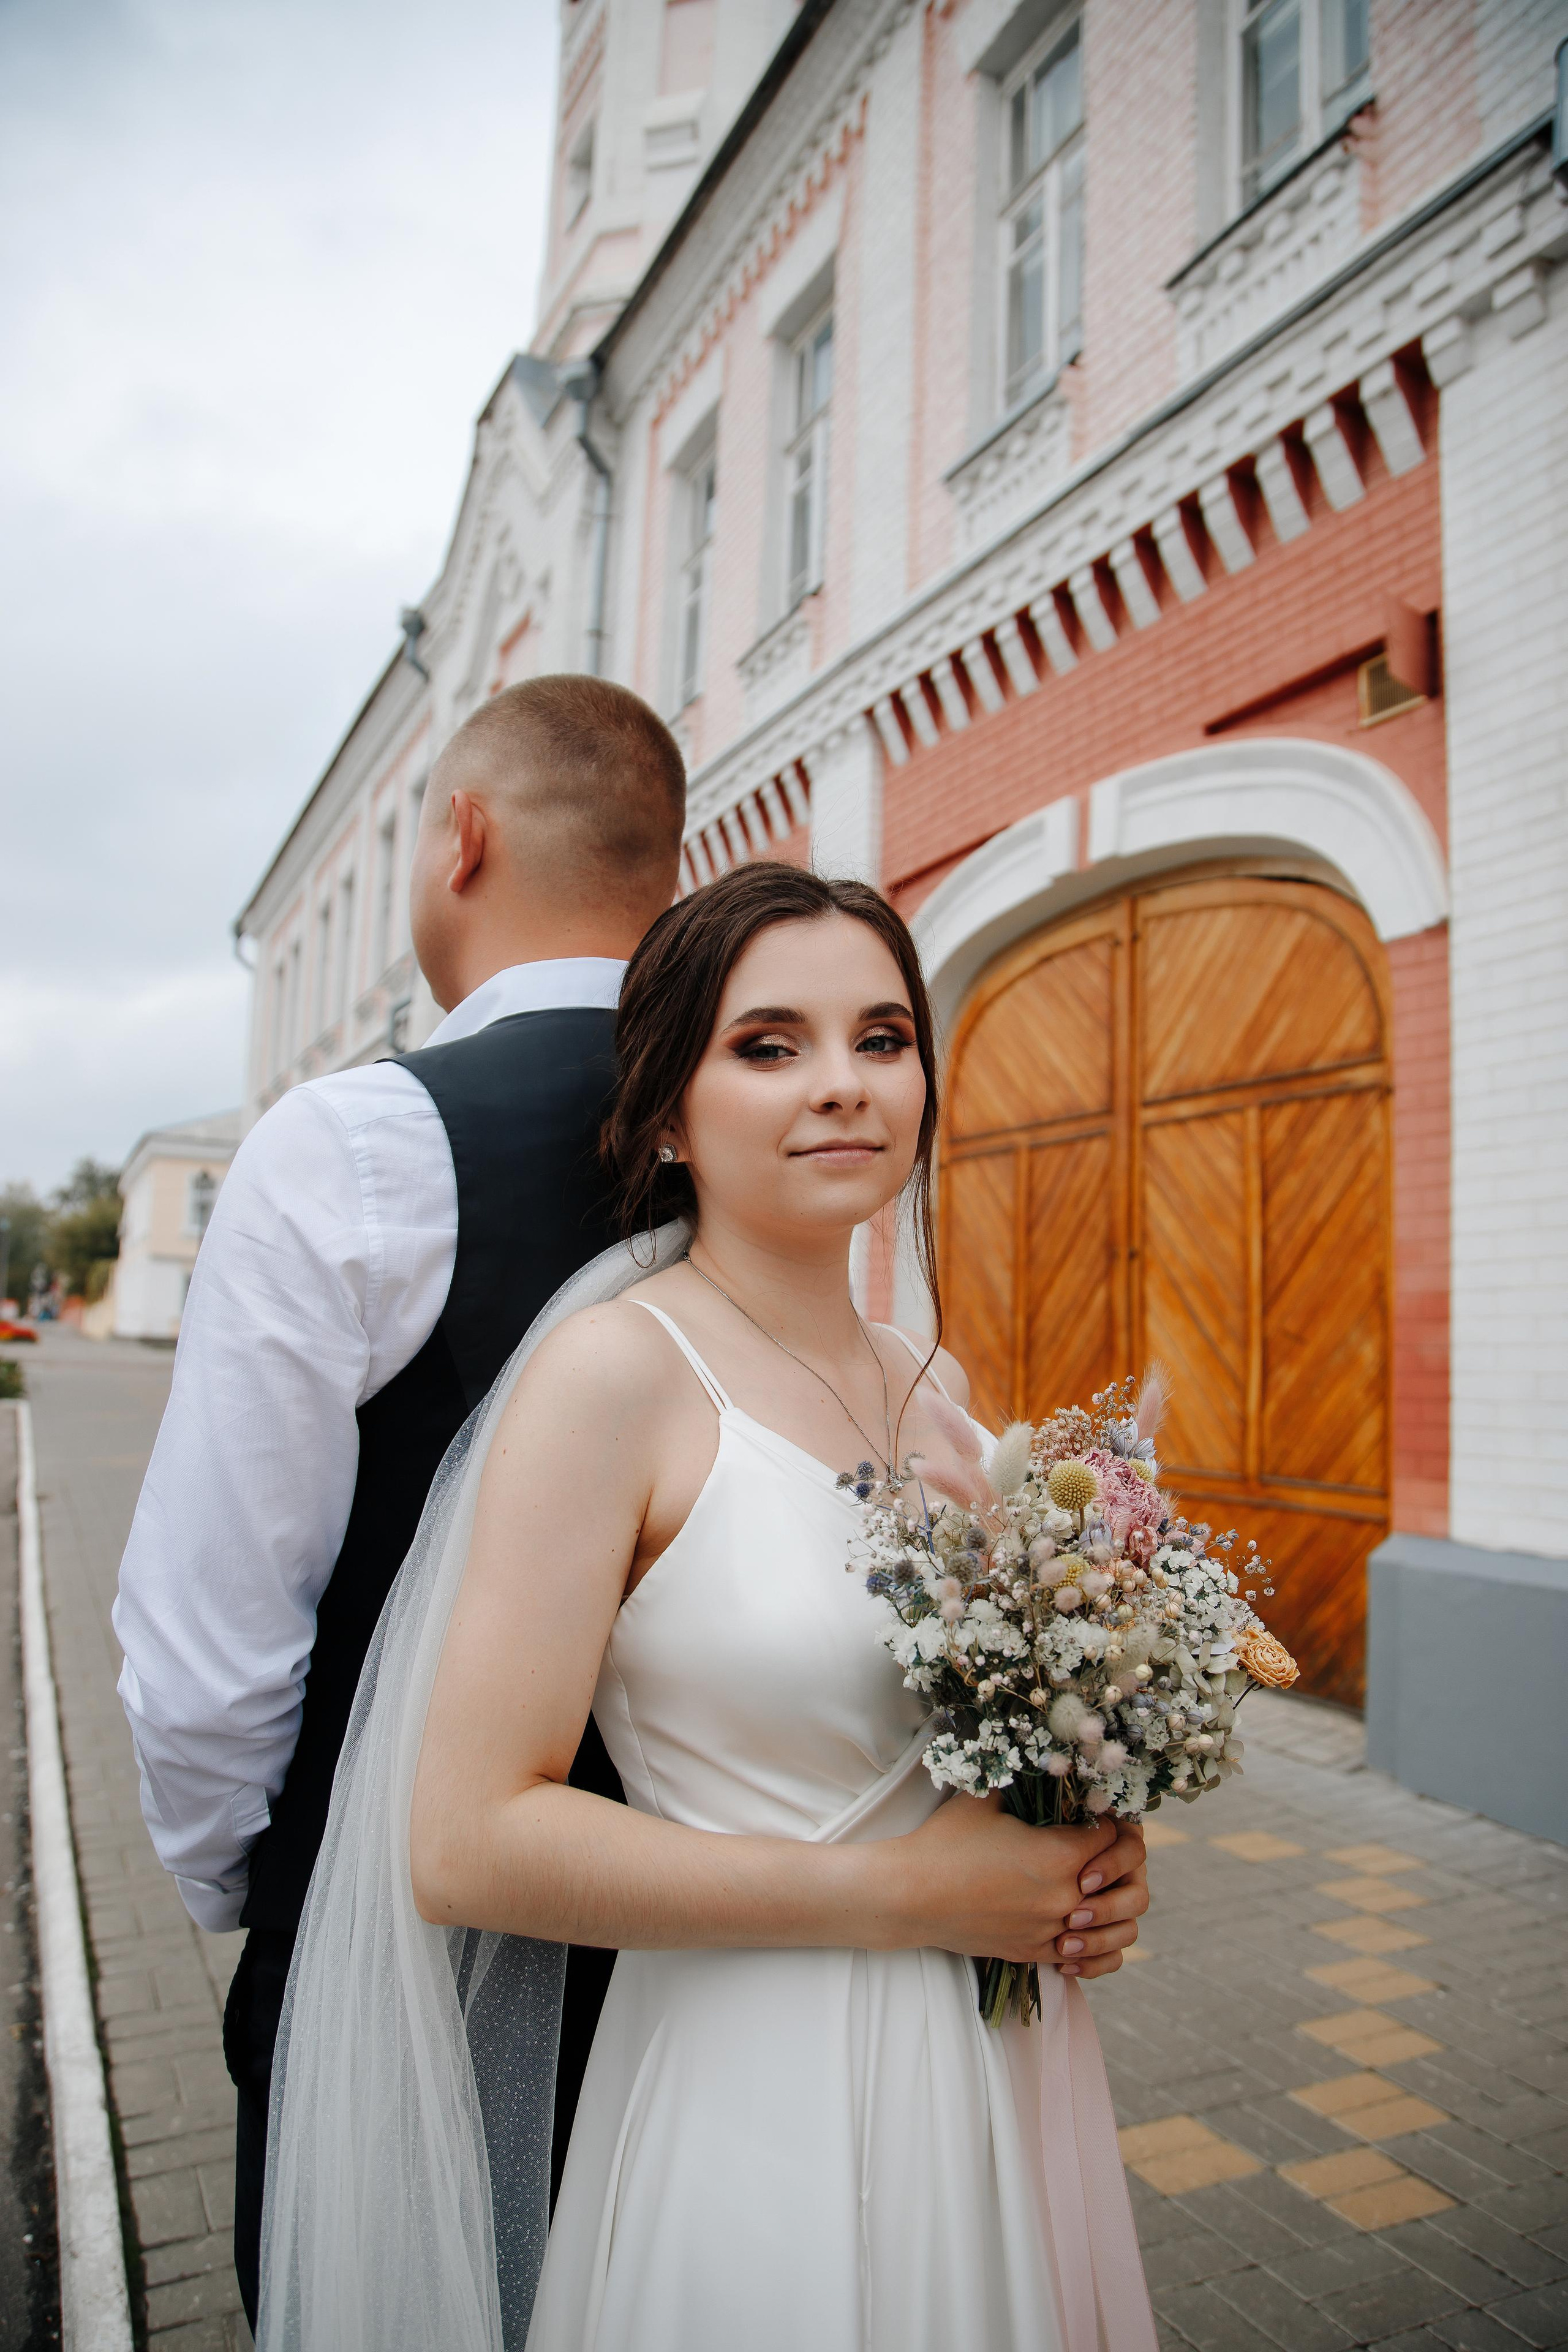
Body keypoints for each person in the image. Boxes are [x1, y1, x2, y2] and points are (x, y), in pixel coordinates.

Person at [260, 862, 1157, 2351]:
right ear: (668, 1114)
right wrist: (904, 1895)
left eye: (881, 1038)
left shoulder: (937, 1394)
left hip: (994, 2074)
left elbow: (977, 1751)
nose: (842, 1086)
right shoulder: (616, 1378)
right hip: (753, 2104)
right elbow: (467, 1840)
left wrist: (1083, 1859)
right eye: (767, 1045)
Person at [112, 674, 687, 2331]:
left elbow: (210, 1623)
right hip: (720, 1937)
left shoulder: (356, 1143)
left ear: (466, 837)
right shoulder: (782, 1136)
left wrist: (268, 1897)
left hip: (400, 1940)